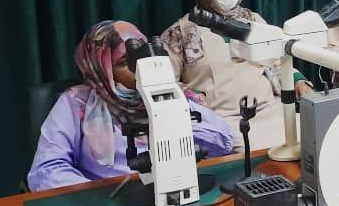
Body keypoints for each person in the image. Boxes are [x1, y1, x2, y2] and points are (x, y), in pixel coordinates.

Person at [28, 20, 234, 191]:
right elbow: (46, 171)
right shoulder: (76, 102)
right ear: (101, 69)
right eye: (124, 62)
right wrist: (95, 198)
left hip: (176, 189)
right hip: (109, 199)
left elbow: (223, 142)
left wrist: (168, 111)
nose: (138, 68)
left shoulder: (172, 92)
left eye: (142, 56)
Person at [161, 0, 313, 150]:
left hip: (272, 111)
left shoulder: (254, 21)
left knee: (312, 136)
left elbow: (278, 62)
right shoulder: (180, 33)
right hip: (222, 121)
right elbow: (166, 83)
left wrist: (299, 82)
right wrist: (193, 97)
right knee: (253, 152)